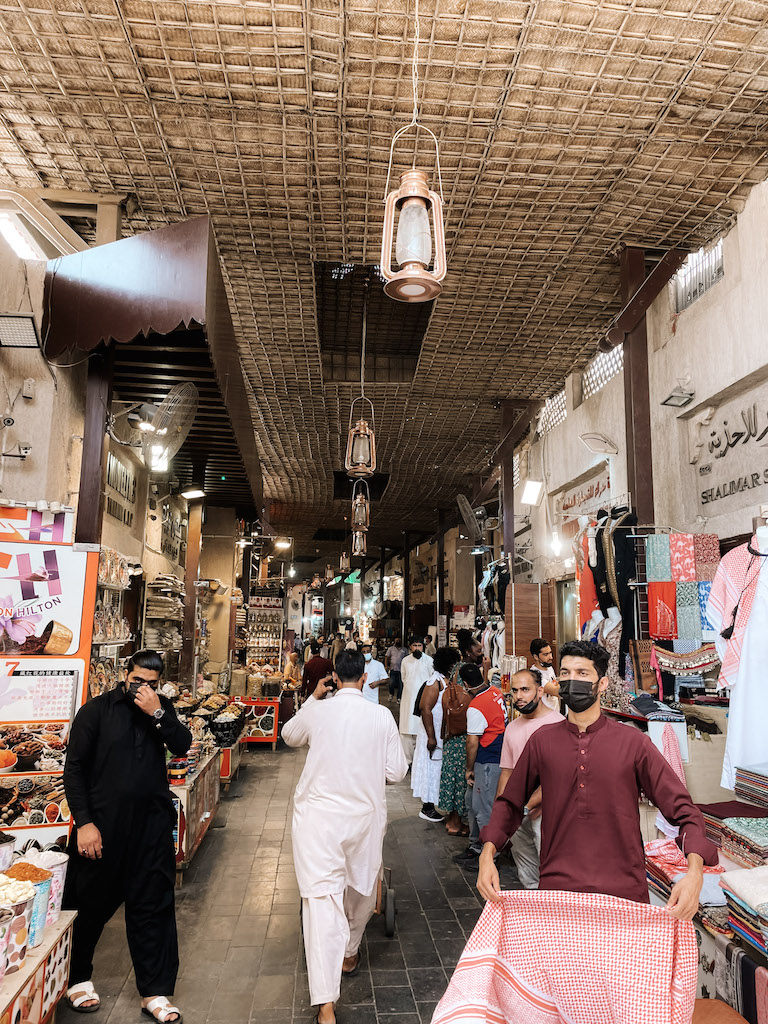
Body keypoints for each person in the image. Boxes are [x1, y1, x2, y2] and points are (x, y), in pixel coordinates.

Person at [477, 640, 718, 918]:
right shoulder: (542, 742)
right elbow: (509, 802)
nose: (571, 680)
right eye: (565, 673)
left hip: (624, 893)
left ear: (602, 684)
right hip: (558, 891)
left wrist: (695, 872)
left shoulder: (633, 743)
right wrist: (487, 853)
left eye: (582, 673)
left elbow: (684, 811)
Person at [62, 650, 192, 1022]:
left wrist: (157, 711)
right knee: (89, 905)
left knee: (153, 907)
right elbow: (74, 770)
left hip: (150, 829)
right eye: (138, 681)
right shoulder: (97, 711)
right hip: (102, 829)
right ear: (126, 674)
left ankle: (155, 991)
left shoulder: (161, 709)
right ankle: (77, 978)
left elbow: (181, 744)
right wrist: (84, 822)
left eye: (151, 683)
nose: (143, 689)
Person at [282, 650, 408, 1024]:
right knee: (362, 887)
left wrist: (313, 698)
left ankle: (326, 1005)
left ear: (335, 676)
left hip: (318, 820)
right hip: (364, 819)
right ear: (366, 678)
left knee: (321, 900)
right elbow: (397, 772)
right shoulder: (380, 715)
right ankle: (350, 949)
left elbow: (289, 736)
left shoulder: (319, 710)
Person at [496, 668, 564, 888]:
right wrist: (501, 811)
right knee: (528, 876)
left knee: (553, 873)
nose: (519, 696)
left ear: (540, 690)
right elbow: (507, 772)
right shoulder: (512, 728)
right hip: (518, 813)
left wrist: (525, 806)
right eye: (515, 690)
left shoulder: (559, 725)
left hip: (548, 814)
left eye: (525, 690)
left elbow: (557, 778)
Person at [454, 663, 508, 868]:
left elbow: (472, 741)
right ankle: (476, 847)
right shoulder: (495, 691)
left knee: (484, 808)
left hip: (487, 760)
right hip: (497, 754)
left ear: (466, 684)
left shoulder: (476, 706)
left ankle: (488, 856)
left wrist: (469, 769)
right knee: (473, 803)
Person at [411, 647, 461, 823]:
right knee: (430, 768)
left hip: (440, 732)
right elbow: (425, 708)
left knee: (437, 769)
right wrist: (431, 737)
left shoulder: (445, 680)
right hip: (432, 732)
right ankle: (427, 808)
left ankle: (432, 804)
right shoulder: (435, 682)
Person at [398, 636, 434, 763]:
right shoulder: (405, 661)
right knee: (406, 729)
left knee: (421, 728)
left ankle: (420, 760)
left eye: (419, 646)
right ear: (410, 647)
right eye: (415, 646)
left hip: (424, 699)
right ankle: (407, 761)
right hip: (408, 698)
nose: (417, 648)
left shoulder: (429, 661)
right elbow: (404, 678)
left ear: (423, 647)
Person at [530, 637, 559, 712]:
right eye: (546, 654)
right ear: (536, 657)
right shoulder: (535, 675)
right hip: (545, 718)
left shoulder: (549, 667)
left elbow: (555, 684)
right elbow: (556, 691)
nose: (551, 657)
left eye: (550, 653)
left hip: (555, 713)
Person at [384, 637, 407, 701]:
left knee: (401, 684)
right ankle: (391, 694)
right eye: (396, 640)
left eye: (399, 640)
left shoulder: (404, 650)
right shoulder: (391, 649)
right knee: (391, 683)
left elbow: (407, 658)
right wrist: (386, 665)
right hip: (393, 669)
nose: (398, 642)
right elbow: (387, 657)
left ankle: (399, 698)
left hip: (401, 670)